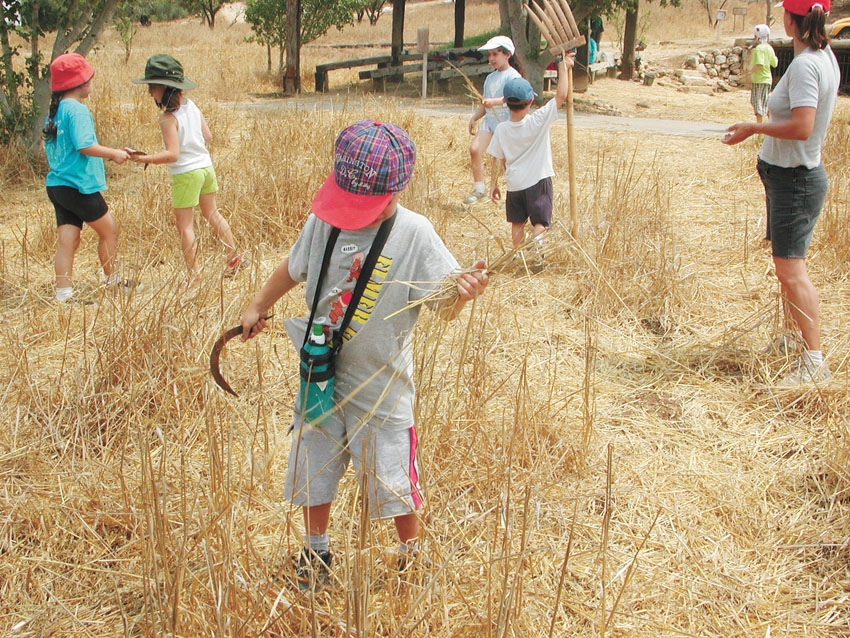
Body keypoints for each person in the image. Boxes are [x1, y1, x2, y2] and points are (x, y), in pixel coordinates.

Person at [240, 120, 489, 589]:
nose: (356, 215)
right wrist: (257, 305)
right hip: (320, 373)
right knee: (314, 461)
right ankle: (316, 553)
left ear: (398, 191)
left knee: (393, 472)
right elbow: (291, 269)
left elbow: (445, 308)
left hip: (382, 384)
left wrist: (463, 292)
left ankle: (410, 557)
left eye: (370, 207)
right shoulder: (322, 221)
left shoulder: (416, 233)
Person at [723, 0, 839, 387]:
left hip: (796, 178)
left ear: (791, 19)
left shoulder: (807, 64)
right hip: (791, 176)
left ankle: (814, 362)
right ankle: (794, 342)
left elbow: (803, 126)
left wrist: (753, 129)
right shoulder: (823, 57)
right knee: (786, 269)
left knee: (792, 271)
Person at [128, 54, 243, 282]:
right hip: (206, 167)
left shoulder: (168, 119)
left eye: (152, 87)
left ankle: (194, 276)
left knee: (185, 227)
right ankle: (234, 257)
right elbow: (208, 136)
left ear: (164, 87)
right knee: (212, 213)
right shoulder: (191, 106)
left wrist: (145, 158)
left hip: (186, 174)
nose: (150, 93)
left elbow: (172, 154)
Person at [42, 53, 132, 303]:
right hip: (79, 185)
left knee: (68, 240)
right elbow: (84, 145)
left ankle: (64, 294)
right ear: (80, 83)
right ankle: (113, 281)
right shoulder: (77, 110)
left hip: (58, 184)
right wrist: (114, 153)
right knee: (110, 230)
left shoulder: (56, 110)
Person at [487, 53, 575, 262]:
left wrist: (493, 185)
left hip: (515, 185)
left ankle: (518, 255)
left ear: (505, 103)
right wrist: (563, 68)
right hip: (538, 181)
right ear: (531, 101)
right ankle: (537, 247)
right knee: (540, 223)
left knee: (517, 223)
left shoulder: (501, 130)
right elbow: (561, 96)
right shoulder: (538, 120)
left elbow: (497, 158)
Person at [463, 35, 522, 205]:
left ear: (507, 55)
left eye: (495, 54)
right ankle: (479, 189)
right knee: (475, 149)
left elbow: (513, 98)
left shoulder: (513, 76)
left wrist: (494, 102)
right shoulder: (490, 78)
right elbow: (485, 102)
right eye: (489, 55)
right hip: (490, 121)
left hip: (505, 122)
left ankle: (514, 193)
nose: (491, 59)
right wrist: (475, 117)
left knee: (504, 161)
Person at [749, 24, 778, 123]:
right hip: (767, 79)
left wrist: (749, 73)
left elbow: (759, 65)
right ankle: (772, 123)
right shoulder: (770, 48)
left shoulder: (759, 49)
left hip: (758, 79)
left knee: (757, 102)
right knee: (765, 101)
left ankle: (759, 126)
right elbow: (775, 63)